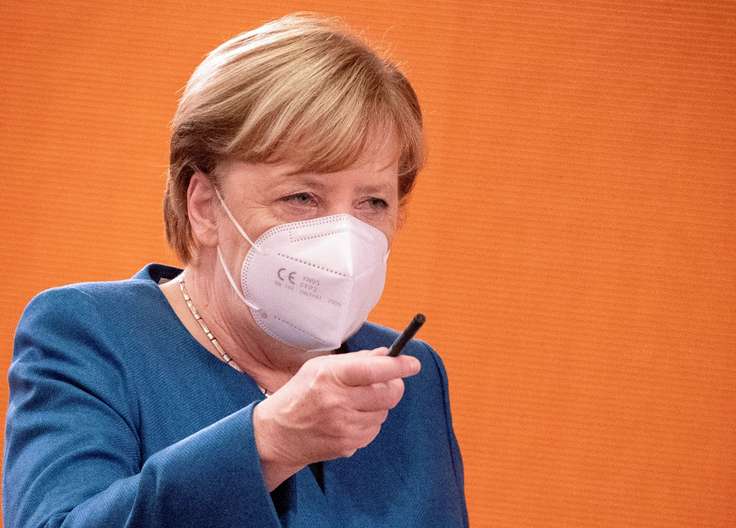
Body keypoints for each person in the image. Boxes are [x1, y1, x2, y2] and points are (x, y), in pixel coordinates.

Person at [3, 12, 468, 528]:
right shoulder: (90, 336)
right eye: (302, 196)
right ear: (203, 205)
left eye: (373, 202)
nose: (344, 236)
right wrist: (266, 443)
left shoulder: (408, 380)